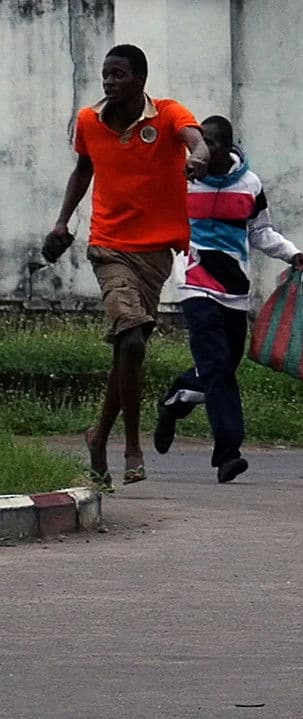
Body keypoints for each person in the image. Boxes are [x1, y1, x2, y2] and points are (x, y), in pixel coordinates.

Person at [42, 44, 209, 490]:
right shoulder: (89, 121)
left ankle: (97, 439)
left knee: (125, 349)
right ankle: (131, 444)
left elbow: (195, 138)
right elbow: (83, 169)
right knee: (132, 341)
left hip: (156, 252)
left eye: (118, 75)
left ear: (139, 79)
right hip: (109, 246)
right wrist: (62, 222)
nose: (109, 83)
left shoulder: (168, 114)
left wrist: (199, 157)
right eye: (105, 75)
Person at [152, 115, 303, 484]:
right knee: (218, 367)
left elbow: (261, 231)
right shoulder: (181, 178)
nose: (200, 151)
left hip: (234, 288)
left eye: (209, 144)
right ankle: (228, 452)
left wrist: (291, 253)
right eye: (197, 143)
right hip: (193, 281)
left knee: (223, 364)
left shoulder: (250, 184)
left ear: (225, 148)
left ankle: (175, 402)